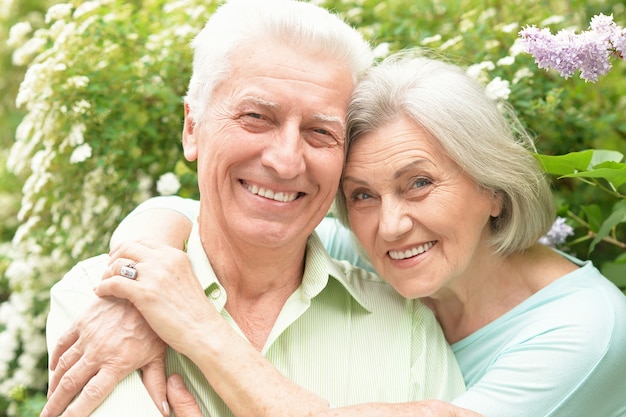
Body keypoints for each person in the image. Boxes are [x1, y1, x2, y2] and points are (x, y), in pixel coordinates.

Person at [53, 52, 626, 417]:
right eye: (361, 194)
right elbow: (185, 204)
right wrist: (145, 287)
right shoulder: (383, 255)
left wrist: (195, 324)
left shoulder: (586, 332)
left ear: (494, 188)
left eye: (419, 183)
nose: (390, 223)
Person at [40, 2, 469, 417]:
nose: (285, 161)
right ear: (193, 128)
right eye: (256, 117)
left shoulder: (407, 330)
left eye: (320, 132)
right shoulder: (101, 302)